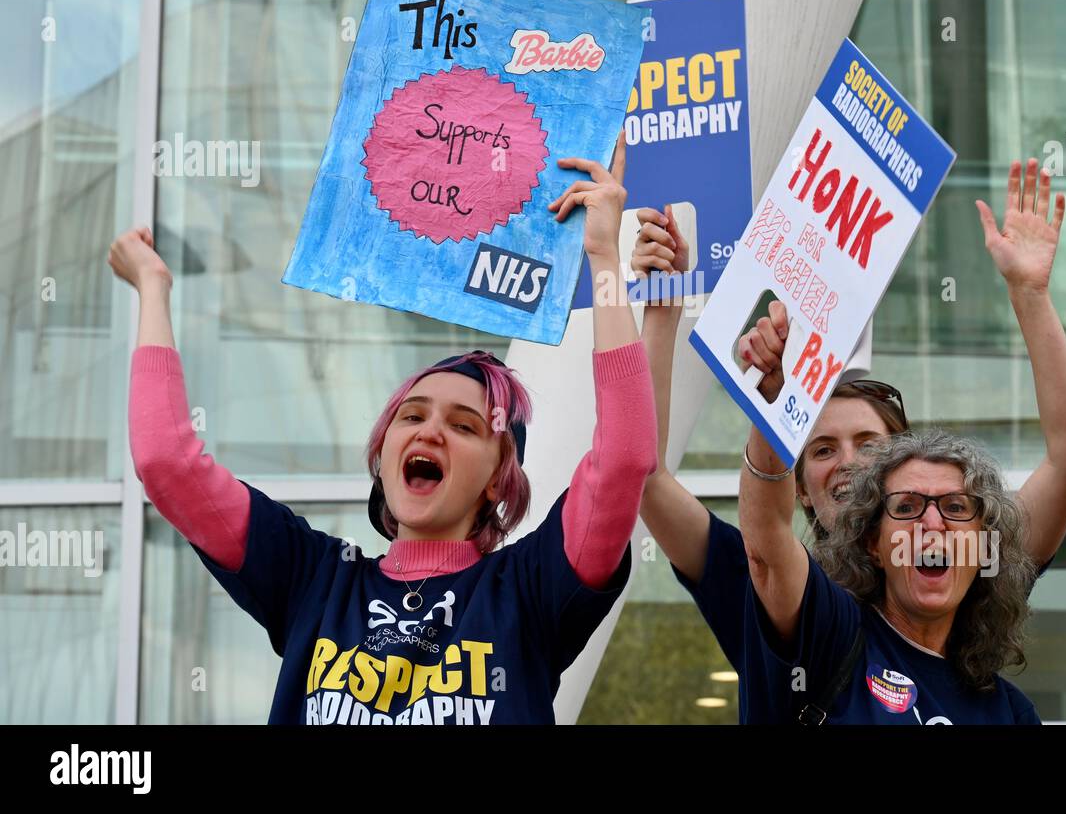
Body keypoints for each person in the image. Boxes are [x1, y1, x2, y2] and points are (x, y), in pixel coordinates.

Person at [109, 139, 658, 724]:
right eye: (412, 415)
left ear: (499, 481)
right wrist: (153, 290)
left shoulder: (526, 589)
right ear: (384, 451)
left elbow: (624, 458)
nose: (431, 432)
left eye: (465, 426)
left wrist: (604, 261)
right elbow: (166, 462)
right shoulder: (313, 580)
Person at [633, 160, 1066, 719]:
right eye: (822, 448)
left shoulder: (960, 558)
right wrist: (669, 315)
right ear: (798, 484)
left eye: (871, 446)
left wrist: (1030, 293)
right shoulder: (791, 596)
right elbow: (655, 480)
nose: (851, 466)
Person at [742, 430, 1041, 724]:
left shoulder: (1009, 711)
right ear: (874, 545)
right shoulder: (830, 635)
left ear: (984, 549)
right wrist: (774, 410)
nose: (933, 523)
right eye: (907, 507)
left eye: (955, 507)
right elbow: (768, 541)